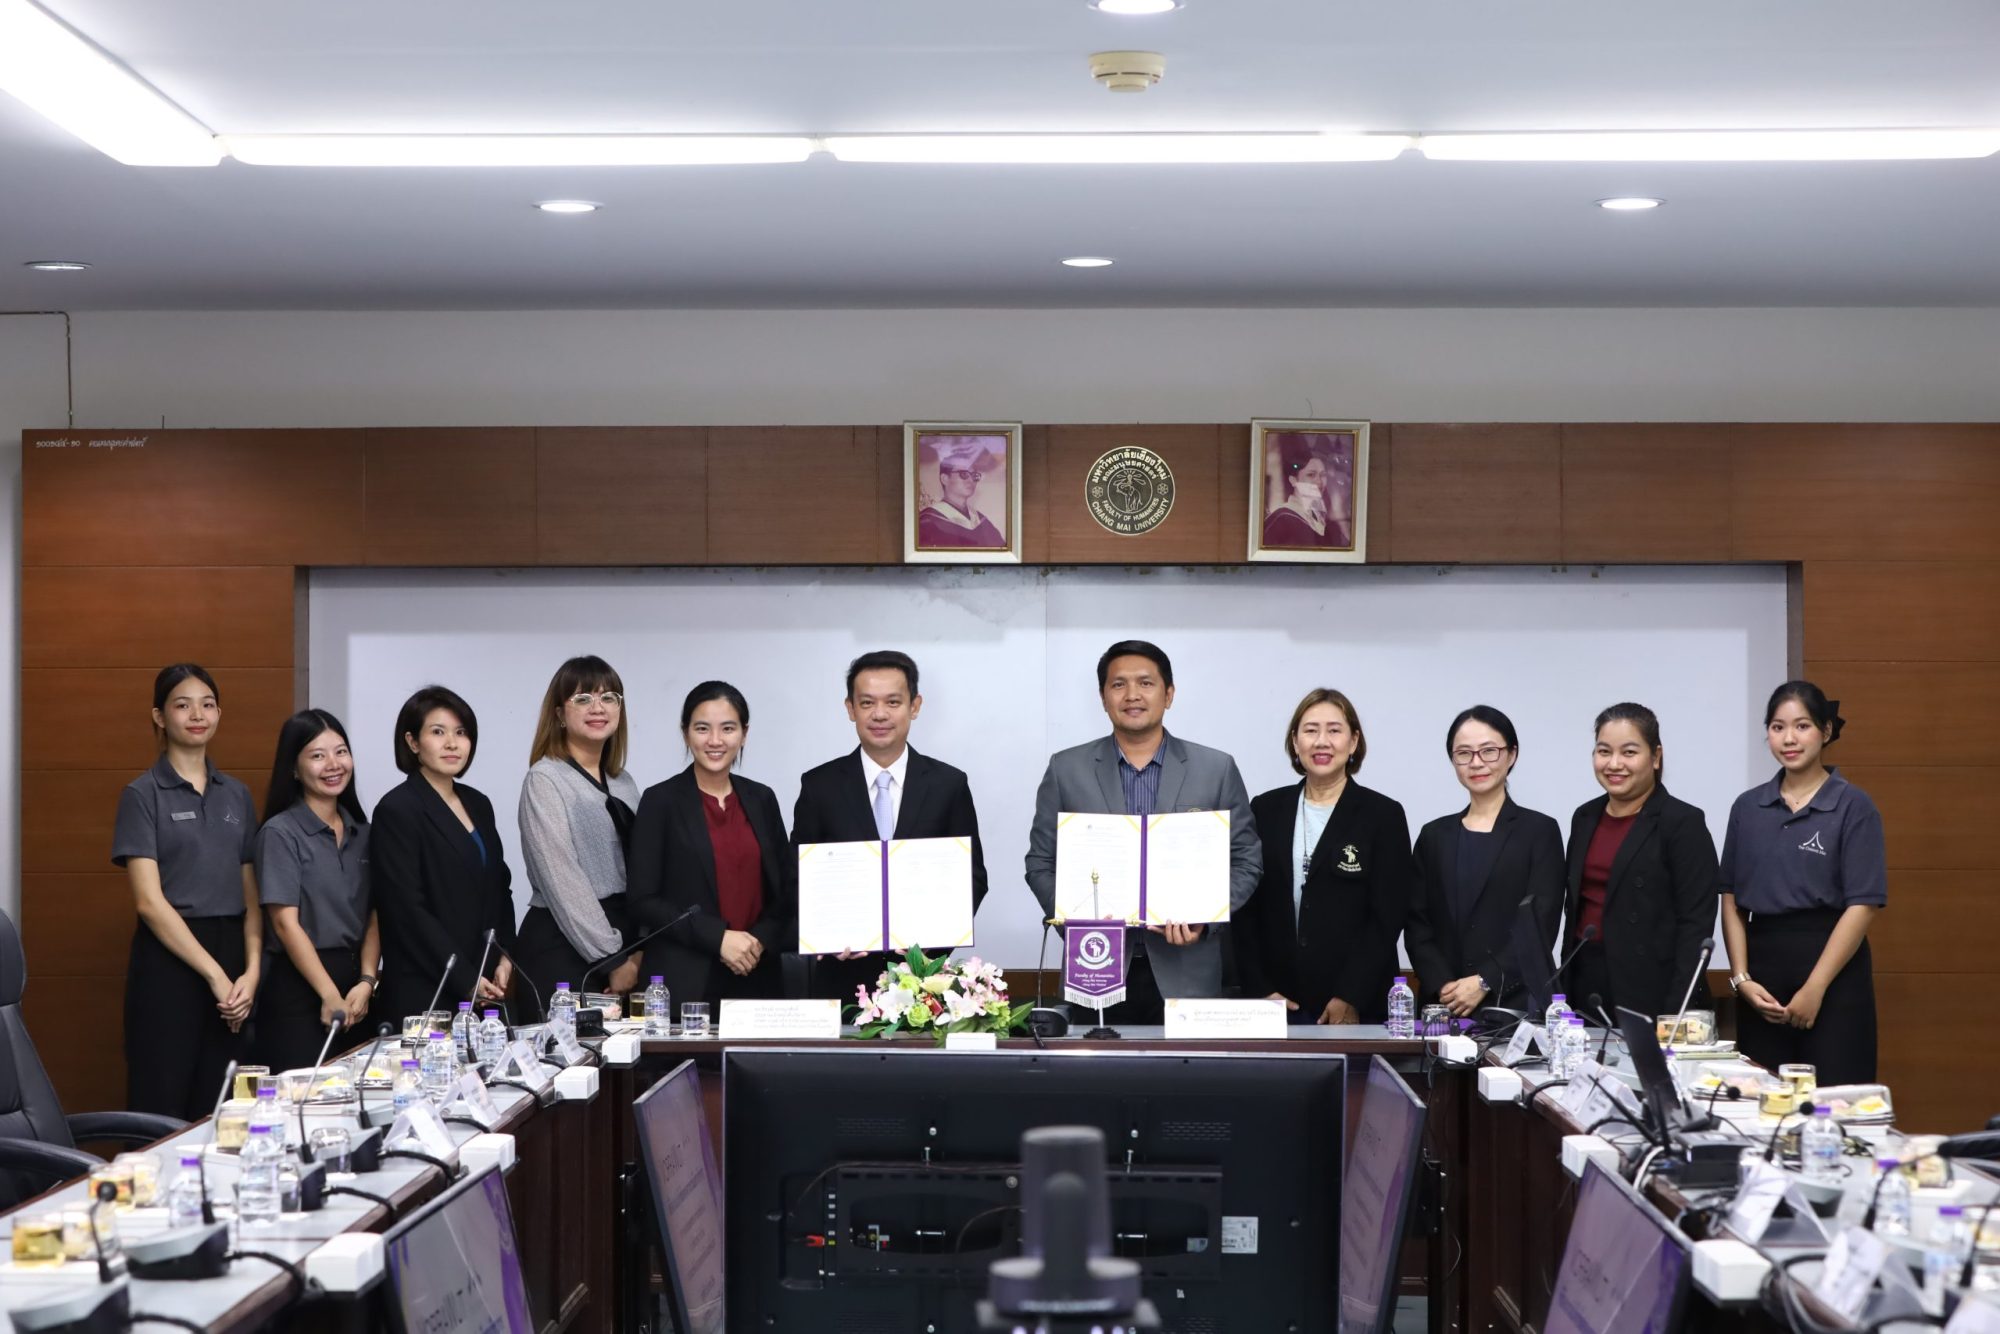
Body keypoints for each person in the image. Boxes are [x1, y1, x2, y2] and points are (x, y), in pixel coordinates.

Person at [1026, 640, 1262, 1023]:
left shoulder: (1215, 768)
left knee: (1185, 1081)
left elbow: (1247, 860)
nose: (1132, 695)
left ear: (1168, 694)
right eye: (1118, 685)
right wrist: (1075, 919)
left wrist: (1205, 919)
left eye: (1146, 683)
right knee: (1090, 1081)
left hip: (1187, 971)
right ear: (1103, 697)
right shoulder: (1066, 769)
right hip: (1094, 964)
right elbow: (1040, 862)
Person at [792, 650, 991, 1008]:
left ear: (914, 706)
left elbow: (973, 878)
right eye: (867, 703)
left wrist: (927, 945)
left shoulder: (949, 784)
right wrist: (826, 937)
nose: (879, 714)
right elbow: (798, 876)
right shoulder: (819, 786)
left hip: (926, 981)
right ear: (850, 708)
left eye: (893, 702)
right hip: (842, 980)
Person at [111, 664, 261, 1119]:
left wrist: (251, 971)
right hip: (170, 962)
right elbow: (149, 903)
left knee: (230, 1107)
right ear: (159, 716)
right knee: (161, 1103)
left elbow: (253, 896)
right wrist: (215, 975)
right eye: (182, 704)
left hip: (235, 962)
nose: (198, 714)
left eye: (208, 704)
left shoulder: (236, 794)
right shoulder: (142, 794)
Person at [1719, 681, 1885, 1084]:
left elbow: (1862, 905)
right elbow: (1731, 898)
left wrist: (1815, 987)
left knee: (1836, 1103)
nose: (1788, 738)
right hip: (1763, 976)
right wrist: (1742, 979)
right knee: (1763, 1103)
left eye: (1802, 726)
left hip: (1833, 972)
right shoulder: (1747, 807)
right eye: (1777, 727)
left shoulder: (1853, 806)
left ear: (1826, 731)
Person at [1237, 689, 1412, 1025]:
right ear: (1294, 741)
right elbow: (1246, 909)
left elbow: (1386, 917)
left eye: (1334, 730)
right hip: (1277, 1001)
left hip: (1355, 1004)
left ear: (1354, 741)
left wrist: (1350, 995)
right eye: (1310, 730)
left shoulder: (1382, 815)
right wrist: (1260, 988)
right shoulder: (1265, 809)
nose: (1322, 741)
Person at [626, 682, 792, 1011]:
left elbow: (785, 890)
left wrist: (757, 942)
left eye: (727, 728)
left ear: (744, 734)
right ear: (686, 732)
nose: (715, 741)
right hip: (685, 981)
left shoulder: (762, 799)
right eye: (703, 728)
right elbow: (642, 901)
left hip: (758, 974)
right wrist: (719, 939)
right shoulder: (660, 801)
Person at [1560, 703, 1718, 1018]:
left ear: (1655, 757)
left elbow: (1695, 924)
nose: (1614, 764)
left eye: (1629, 752)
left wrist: (1675, 1010)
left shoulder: (1682, 822)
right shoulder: (1585, 817)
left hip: (1653, 988)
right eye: (1604, 751)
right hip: (1585, 982)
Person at [370, 686, 516, 1026]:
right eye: (438, 732)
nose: (452, 743)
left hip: (488, 982)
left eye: (461, 732)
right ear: (412, 742)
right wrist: (465, 978)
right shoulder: (397, 809)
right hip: (428, 988)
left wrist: (505, 954)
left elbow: (500, 888)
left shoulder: (478, 803)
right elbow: (407, 910)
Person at [1407, 705, 1564, 1018]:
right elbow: (1416, 923)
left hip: (1514, 1004)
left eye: (1489, 751)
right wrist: (1445, 986)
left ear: (1512, 755)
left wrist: (1484, 981)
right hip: (1443, 1006)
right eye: (1464, 753)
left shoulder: (1539, 831)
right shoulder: (1434, 835)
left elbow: (1541, 923)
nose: (1476, 763)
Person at [514, 656, 642, 1014]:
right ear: (558, 713)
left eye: (609, 697)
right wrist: (612, 959)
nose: (597, 708)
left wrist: (636, 951)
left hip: (623, 945)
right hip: (564, 946)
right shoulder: (545, 779)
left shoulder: (624, 782)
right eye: (583, 698)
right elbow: (561, 878)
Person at [254, 708, 379, 1072]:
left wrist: (368, 981)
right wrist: (328, 994)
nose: (333, 764)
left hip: (355, 985)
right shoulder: (280, 833)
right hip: (299, 986)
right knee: (302, 1101)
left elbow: (375, 912)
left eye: (340, 751)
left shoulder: (363, 832)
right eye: (317, 755)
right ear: (293, 768)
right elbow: (285, 924)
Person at [1261, 436, 1351, 549]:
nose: (1319, 481)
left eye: (1323, 475)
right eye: (1311, 475)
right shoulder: (1281, 519)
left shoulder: (1329, 526)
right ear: (1293, 480)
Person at [917, 440, 1006, 549]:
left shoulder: (981, 521)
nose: (971, 480)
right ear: (945, 479)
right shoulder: (928, 522)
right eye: (963, 474)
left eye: (974, 475)